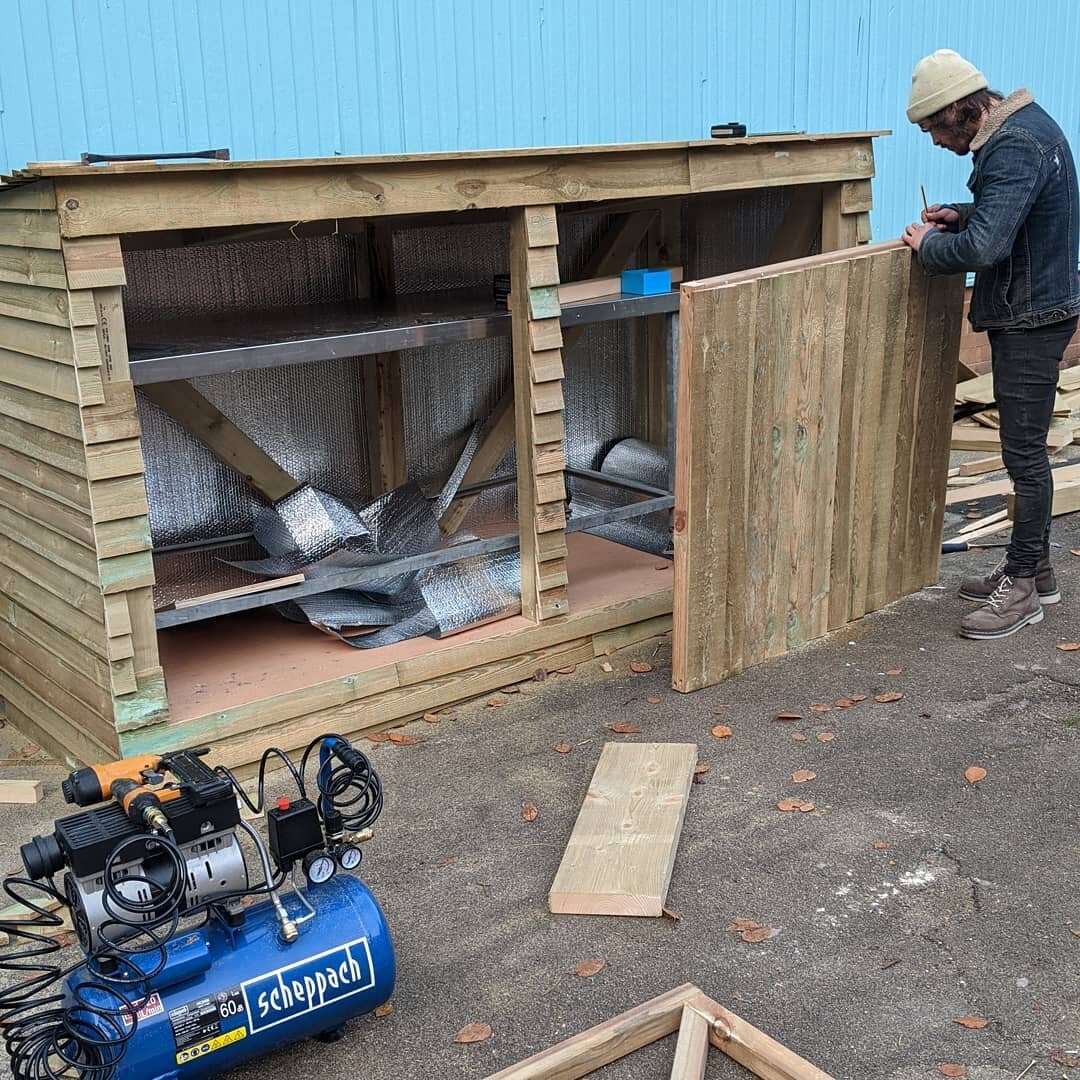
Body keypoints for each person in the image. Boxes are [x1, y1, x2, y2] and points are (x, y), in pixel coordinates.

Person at [901, 49, 1080, 639]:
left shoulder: (1012, 147)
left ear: (958, 108)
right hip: (1037, 305)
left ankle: (1023, 589)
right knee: (1025, 453)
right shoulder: (1027, 129)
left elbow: (984, 251)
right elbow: (1017, 216)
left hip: (1032, 316)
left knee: (1024, 457)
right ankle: (1038, 570)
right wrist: (964, 212)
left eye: (932, 126)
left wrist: (928, 246)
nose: (932, 140)